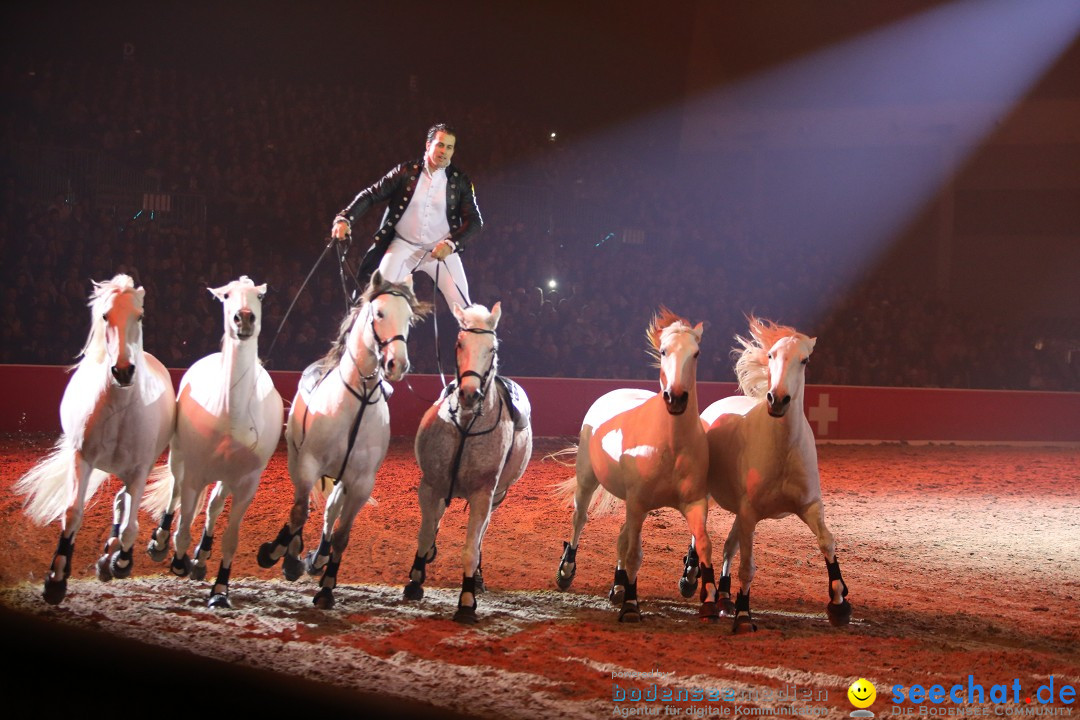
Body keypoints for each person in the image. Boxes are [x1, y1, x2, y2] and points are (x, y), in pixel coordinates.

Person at [331, 123, 482, 309]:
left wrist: (451, 244)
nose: (444, 151)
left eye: (449, 147)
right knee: (376, 301)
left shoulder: (460, 181)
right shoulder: (406, 172)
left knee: (465, 309)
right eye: (440, 145)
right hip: (403, 246)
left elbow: (475, 221)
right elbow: (371, 194)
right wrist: (346, 218)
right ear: (428, 145)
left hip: (440, 251)